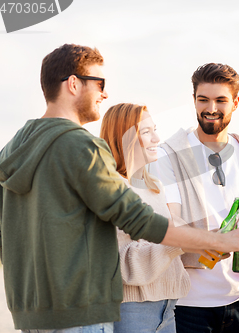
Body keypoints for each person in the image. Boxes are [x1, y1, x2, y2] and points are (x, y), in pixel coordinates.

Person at [0, 44, 239, 332]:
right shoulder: (81, 145)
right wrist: (216, 241)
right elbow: (138, 220)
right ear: (73, 84)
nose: (104, 94)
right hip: (82, 310)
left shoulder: (11, 149)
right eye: (100, 84)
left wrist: (28, 282)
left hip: (33, 311)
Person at [150, 63, 239, 333]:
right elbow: (172, 224)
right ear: (193, 101)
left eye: (221, 100)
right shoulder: (167, 155)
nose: (211, 108)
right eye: (203, 99)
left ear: (236, 103)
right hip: (189, 302)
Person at [100, 103, 191, 333]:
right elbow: (123, 261)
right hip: (133, 311)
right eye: (146, 132)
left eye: (155, 129)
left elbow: (162, 244)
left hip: (169, 308)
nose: (157, 139)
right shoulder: (112, 189)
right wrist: (179, 241)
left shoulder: (155, 187)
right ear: (125, 137)